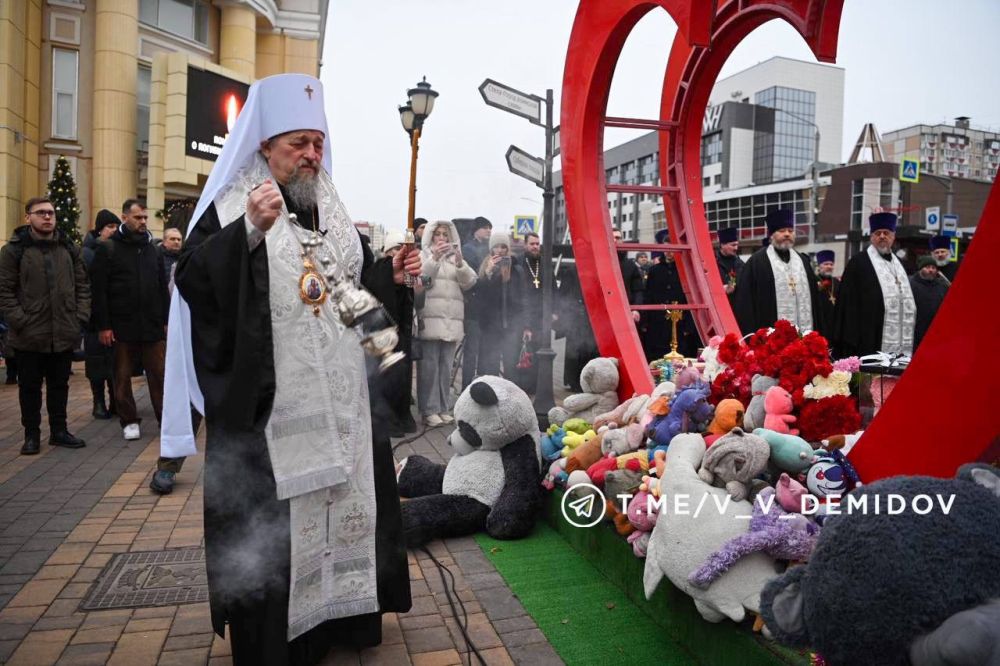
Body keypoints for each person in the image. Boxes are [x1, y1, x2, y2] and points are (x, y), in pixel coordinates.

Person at [160, 74, 415, 664]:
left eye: (318, 143)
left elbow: (351, 297)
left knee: (349, 504)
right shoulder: (231, 206)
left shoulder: (335, 209)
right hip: (273, 413)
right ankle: (281, 635)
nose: (311, 155)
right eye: (298, 143)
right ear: (266, 147)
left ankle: (345, 620)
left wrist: (391, 283)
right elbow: (194, 280)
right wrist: (249, 232)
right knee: (278, 529)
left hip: (346, 406)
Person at [0, 197, 90, 455]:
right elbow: (4, 291)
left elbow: (83, 285)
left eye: (51, 212)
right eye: (41, 213)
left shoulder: (68, 248)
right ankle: (31, 435)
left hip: (63, 331)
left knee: (59, 385)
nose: (48, 217)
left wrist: (79, 317)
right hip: (29, 334)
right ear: (28, 217)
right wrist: (21, 321)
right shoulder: (13, 251)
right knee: (29, 388)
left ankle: (59, 431)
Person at [89, 199, 169, 442]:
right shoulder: (108, 248)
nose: (143, 222)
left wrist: (165, 319)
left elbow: (161, 287)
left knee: (159, 374)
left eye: (145, 217)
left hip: (152, 325)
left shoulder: (152, 248)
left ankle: (165, 419)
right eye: (138, 217)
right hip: (122, 325)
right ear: (125, 218)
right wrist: (103, 326)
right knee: (122, 374)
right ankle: (129, 420)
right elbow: (99, 290)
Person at [416, 220, 476, 426]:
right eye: (438, 234)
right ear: (431, 236)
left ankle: (443, 407)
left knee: (446, 368)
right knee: (429, 369)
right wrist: (434, 258)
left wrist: (460, 263)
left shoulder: (455, 258)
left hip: (452, 320)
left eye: (445, 234)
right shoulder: (423, 255)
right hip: (431, 319)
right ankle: (428, 410)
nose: (442, 238)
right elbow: (420, 281)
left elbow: (470, 283)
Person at [833, 213, 916, 358]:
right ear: (872, 237)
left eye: (887, 233)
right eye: (878, 233)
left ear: (893, 236)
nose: (882, 236)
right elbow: (847, 305)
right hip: (868, 337)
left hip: (899, 342)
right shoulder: (858, 263)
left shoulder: (899, 264)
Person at [732, 209, 824, 335]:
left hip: (805, 337)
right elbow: (745, 303)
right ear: (771, 235)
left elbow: (815, 302)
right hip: (770, 337)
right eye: (781, 231)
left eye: (790, 231)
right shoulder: (757, 263)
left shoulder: (803, 261)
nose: (787, 234)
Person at [82, 209, 119, 419]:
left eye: (115, 226)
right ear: (100, 230)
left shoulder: (117, 249)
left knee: (115, 362)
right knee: (96, 362)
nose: (113, 230)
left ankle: (116, 399)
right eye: (109, 227)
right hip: (93, 318)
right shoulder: (87, 253)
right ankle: (98, 402)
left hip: (115, 316)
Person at [642, 230, 699, 360]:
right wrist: (645, 322)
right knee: (657, 356)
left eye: (671, 248)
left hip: (680, 321)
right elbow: (648, 296)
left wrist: (689, 326)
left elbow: (690, 299)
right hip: (658, 321)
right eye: (666, 248)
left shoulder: (685, 270)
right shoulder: (654, 270)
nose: (668, 252)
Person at [477, 231, 524, 380]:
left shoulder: (517, 269)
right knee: (491, 365)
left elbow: (521, 298)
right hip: (491, 325)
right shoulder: (485, 267)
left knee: (511, 365)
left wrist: (507, 279)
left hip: (511, 324)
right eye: (496, 246)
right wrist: (489, 274)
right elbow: (481, 296)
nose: (500, 250)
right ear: (491, 248)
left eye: (503, 246)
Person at [460, 216, 492, 388]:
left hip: (487, 309)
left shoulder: (489, 249)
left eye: (490, 228)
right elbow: (470, 279)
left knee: (486, 351)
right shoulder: (468, 249)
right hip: (473, 308)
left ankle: (482, 385)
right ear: (476, 229)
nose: (489, 230)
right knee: (472, 352)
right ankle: (466, 387)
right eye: (485, 227)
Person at [512, 232, 543, 393]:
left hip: (540, 315)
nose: (535, 247)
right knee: (522, 351)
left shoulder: (543, 263)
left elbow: (552, 289)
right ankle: (521, 386)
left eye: (537, 244)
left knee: (538, 352)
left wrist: (554, 311)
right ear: (525, 245)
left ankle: (535, 386)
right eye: (532, 244)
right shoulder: (519, 262)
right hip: (522, 314)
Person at [908, 254, 950, 352]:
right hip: (915, 331)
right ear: (920, 269)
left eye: (933, 267)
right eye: (927, 267)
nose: (931, 270)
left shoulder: (942, 286)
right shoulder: (911, 284)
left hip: (936, 332)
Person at [813, 249, 840, 341]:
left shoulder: (837, 282)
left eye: (831, 264)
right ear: (819, 266)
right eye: (826, 264)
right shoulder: (813, 281)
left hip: (835, 322)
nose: (829, 266)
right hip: (821, 321)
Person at [714, 226, 744, 305]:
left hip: (737, 307)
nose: (736, 248)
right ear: (723, 245)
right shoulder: (712, 263)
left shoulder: (740, 264)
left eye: (737, 245)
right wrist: (721, 289)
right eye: (733, 245)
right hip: (719, 305)